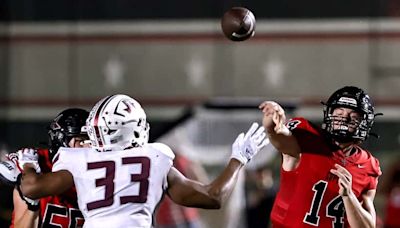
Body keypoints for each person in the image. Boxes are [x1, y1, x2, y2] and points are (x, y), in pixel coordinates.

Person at [11, 94, 267, 228]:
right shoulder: (155, 156)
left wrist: (29, 163)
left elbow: (31, 187)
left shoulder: (78, 158)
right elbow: (213, 197)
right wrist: (239, 158)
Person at [259, 86, 382, 228]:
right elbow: (280, 137)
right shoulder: (308, 138)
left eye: (353, 115)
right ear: (329, 113)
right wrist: (272, 124)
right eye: (339, 112)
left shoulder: (369, 164)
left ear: (364, 123)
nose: (344, 118)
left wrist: (349, 197)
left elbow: (367, 226)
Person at [2, 108, 89, 228]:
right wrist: (32, 205)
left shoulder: (100, 168)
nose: (89, 147)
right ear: (60, 140)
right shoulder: (35, 166)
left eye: (92, 141)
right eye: (82, 141)